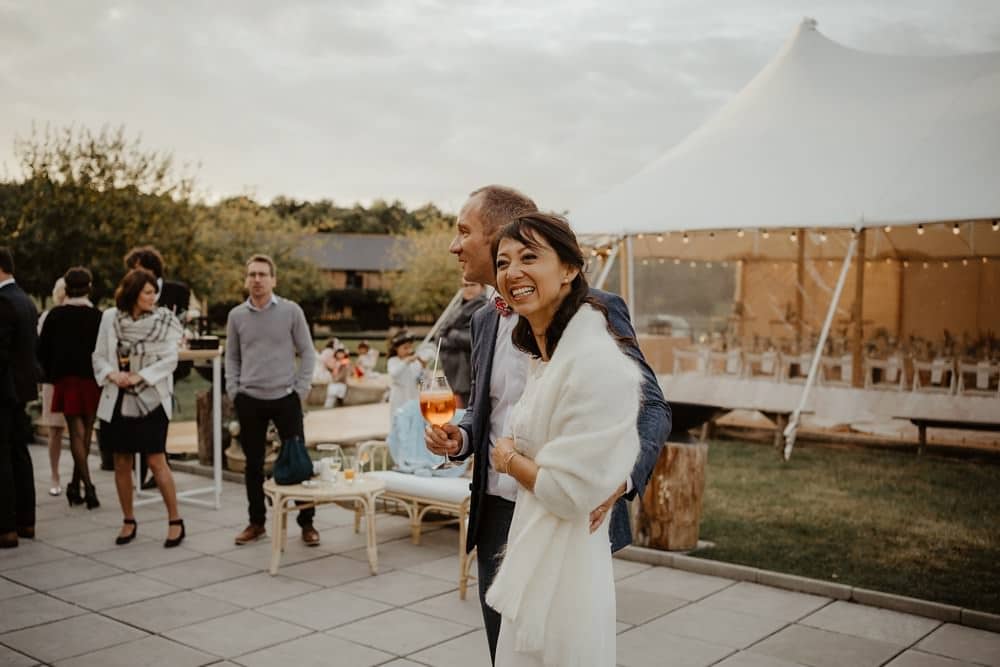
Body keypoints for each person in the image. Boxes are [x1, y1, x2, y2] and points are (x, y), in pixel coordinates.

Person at [424, 187, 670, 664]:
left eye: (463, 232)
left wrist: (618, 480)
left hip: (566, 513)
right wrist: (462, 438)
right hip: (498, 509)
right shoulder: (482, 320)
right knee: (507, 649)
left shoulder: (594, 313)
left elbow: (652, 406)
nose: (455, 246)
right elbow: (490, 409)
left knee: (559, 646)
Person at [226, 254, 319, 546]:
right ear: (246, 279)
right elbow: (232, 356)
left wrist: (300, 390)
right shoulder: (236, 316)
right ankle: (256, 523)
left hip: (285, 397)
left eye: (262, 274)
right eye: (252, 274)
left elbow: (308, 352)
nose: (257, 279)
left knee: (299, 463)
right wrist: (234, 390)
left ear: (273, 279)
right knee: (253, 465)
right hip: (250, 398)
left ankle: (307, 523)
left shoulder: (291, 311)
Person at [93, 268, 186, 547]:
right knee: (121, 461)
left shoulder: (165, 320)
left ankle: (175, 521)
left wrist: (139, 376)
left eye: (154, 291)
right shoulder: (111, 318)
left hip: (152, 397)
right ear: (133, 293)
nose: (153, 296)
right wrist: (113, 375)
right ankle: (128, 519)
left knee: (156, 460)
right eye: (147, 292)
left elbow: (171, 359)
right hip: (118, 397)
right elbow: (98, 356)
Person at [124, 245, 192, 489]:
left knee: (158, 413)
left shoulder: (177, 290)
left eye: (137, 268)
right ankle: (145, 470)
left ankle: (156, 465)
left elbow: (183, 320)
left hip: (168, 362)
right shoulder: (131, 294)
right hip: (139, 365)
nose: (134, 274)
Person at [37, 268, 103, 508]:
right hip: (92, 379)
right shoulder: (98, 316)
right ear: (89, 287)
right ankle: (86, 486)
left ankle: (80, 485)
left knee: (76, 432)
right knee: (86, 433)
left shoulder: (55, 315)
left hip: (66, 379)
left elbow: (42, 350)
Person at [0, 247, 41, 549]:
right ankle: (27, 522)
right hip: (21, 389)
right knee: (20, 454)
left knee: (3, 457)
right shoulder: (25, 299)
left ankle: (6, 528)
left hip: (3, 391)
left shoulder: (2, 301)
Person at [37, 277, 68, 496]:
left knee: (79, 431)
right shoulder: (49, 317)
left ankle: (79, 475)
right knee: (55, 430)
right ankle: (55, 475)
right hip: (54, 381)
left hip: (75, 379)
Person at [437, 280, 486, 408]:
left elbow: (478, 339)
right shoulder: (458, 308)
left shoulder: (485, 309)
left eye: (472, 284)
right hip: (455, 373)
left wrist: (453, 335)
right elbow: (439, 337)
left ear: (482, 287)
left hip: (471, 374)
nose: (468, 288)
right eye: (465, 285)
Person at [387, 330, 424, 422]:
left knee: (413, 419)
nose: (409, 350)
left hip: (412, 394)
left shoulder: (414, 362)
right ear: (396, 348)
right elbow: (394, 373)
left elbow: (420, 377)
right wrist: (406, 361)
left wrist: (423, 365)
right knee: (399, 420)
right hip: (399, 397)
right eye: (405, 348)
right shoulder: (393, 361)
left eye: (410, 347)